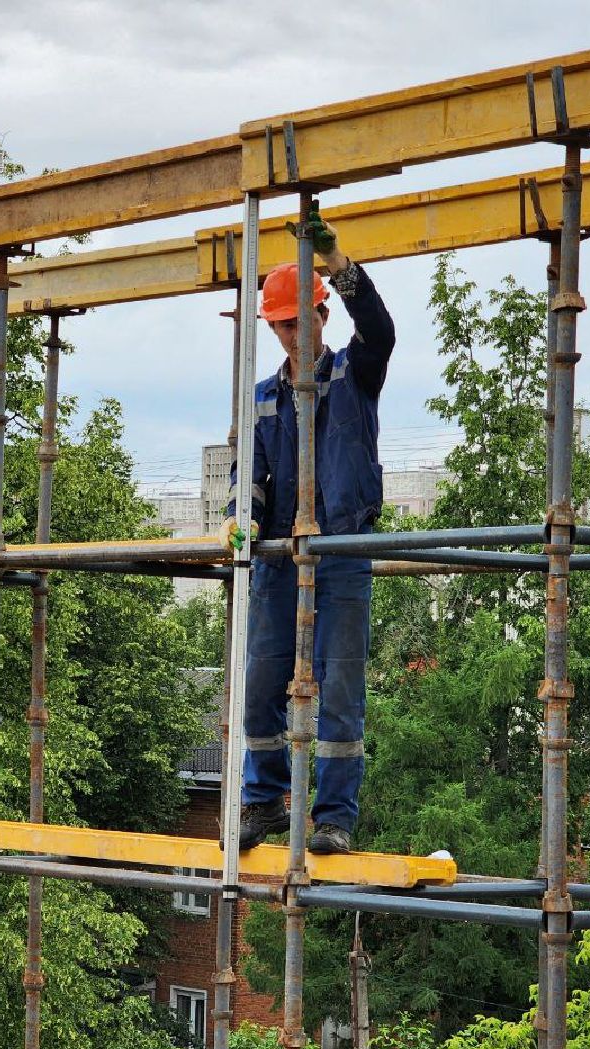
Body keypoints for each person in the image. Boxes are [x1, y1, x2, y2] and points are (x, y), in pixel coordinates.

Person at [226, 206, 395, 855]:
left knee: (340, 687)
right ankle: (264, 801)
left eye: (301, 321)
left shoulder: (356, 373)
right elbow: (253, 469)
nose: (292, 334)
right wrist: (242, 516)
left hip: (343, 551)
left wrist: (340, 269)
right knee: (262, 682)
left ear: (323, 316)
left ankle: (333, 817)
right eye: (281, 326)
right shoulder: (266, 395)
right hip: (277, 559)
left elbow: (380, 330)